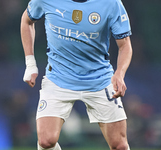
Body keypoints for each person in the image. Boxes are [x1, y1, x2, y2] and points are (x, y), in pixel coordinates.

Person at [20, 0, 133, 149]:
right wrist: (30, 63)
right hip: (58, 78)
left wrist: (120, 73)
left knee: (119, 145)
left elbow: (125, 45)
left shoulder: (111, 3)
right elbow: (27, 21)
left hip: (99, 80)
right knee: (46, 141)